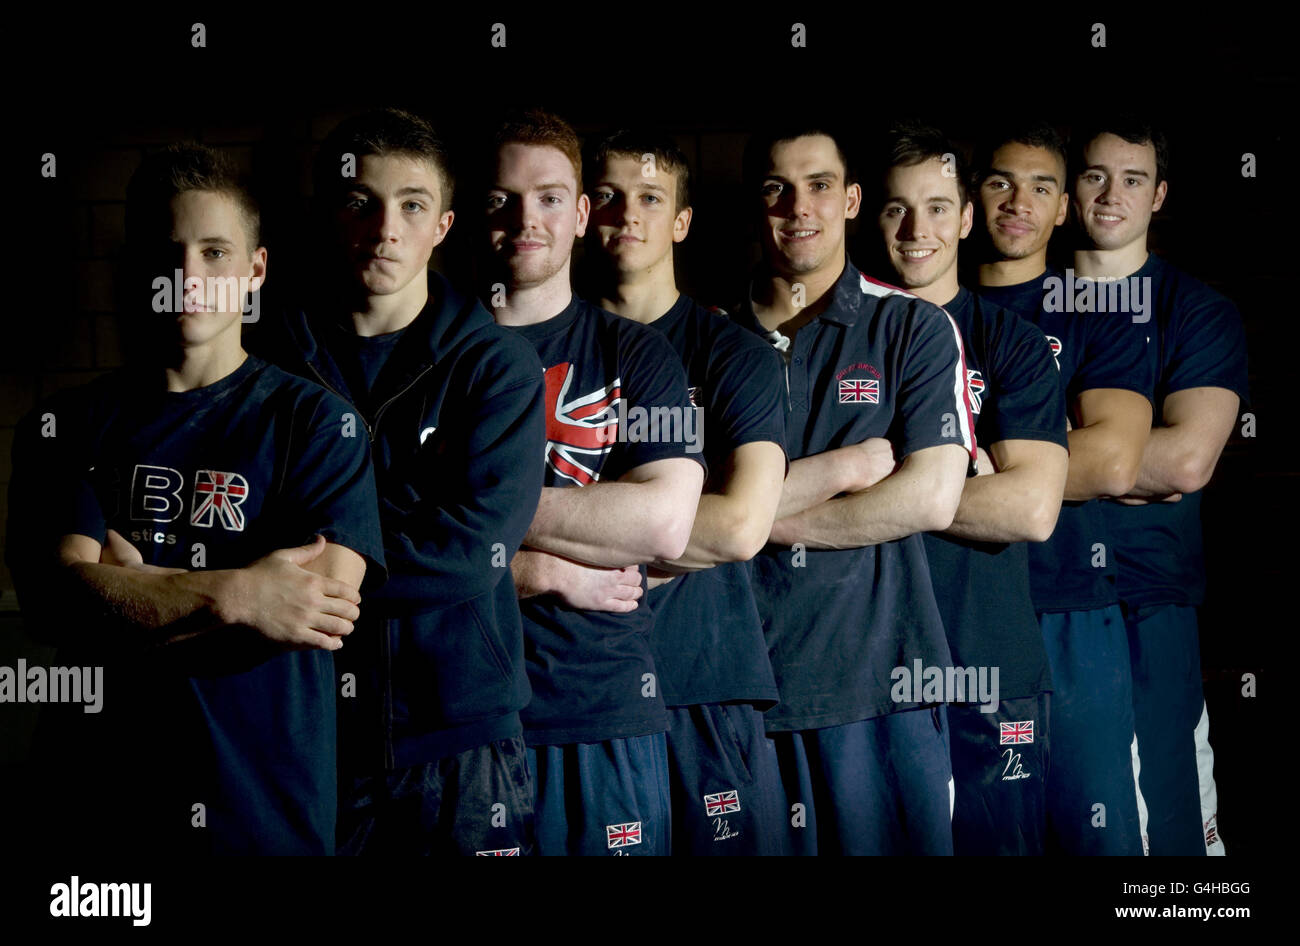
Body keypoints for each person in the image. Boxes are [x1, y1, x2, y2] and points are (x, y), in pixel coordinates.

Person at [7, 142, 385, 855]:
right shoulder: (68, 426)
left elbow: (319, 608)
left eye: (215, 252)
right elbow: (56, 601)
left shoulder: (315, 424)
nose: (188, 275)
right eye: (167, 251)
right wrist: (240, 594)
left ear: (255, 271)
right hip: (97, 815)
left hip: (264, 817)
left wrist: (128, 586)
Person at [251, 108, 548, 856]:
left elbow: (471, 549)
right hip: (307, 724)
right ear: (330, 212)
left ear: (442, 225)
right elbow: (249, 522)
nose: (386, 228)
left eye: (411, 205)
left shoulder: (494, 368)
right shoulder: (269, 360)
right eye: (360, 201)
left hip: (460, 734)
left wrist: (299, 580)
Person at [732, 125, 976, 855]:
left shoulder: (910, 327)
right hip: (742, 692)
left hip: (880, 690)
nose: (798, 207)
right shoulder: (706, 338)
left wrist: (751, 519)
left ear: (851, 201)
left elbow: (930, 498)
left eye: (820, 186)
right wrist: (840, 472)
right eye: (777, 188)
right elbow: (676, 518)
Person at [483, 109, 705, 855]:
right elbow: (385, 531)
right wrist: (537, 569)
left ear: (580, 214)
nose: (526, 220)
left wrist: (482, 527)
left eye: (548, 198)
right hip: (462, 716)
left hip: (602, 706)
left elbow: (665, 523)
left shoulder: (636, 355)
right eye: (503, 200)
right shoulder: (431, 356)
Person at [584, 130, 789, 854]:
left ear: (680, 221)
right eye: (607, 196)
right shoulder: (540, 347)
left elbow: (738, 526)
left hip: (703, 674)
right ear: (581, 212)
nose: (626, 215)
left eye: (648, 198)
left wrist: (574, 556)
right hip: (580, 684)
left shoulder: (733, 353)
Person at [872, 123, 1068, 855]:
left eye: (935, 206)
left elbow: (1030, 507)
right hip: (872, 669)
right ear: (871, 214)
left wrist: (891, 487)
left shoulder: (1008, 342)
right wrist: (957, 481)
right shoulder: (844, 341)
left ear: (964, 217)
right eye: (896, 208)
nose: (916, 229)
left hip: (991, 661)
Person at [975, 121, 1154, 855]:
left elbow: (1112, 458)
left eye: (1041, 186)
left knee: (1100, 838)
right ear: (967, 198)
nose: (1018, 202)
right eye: (999, 182)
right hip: (964, 614)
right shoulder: (922, 313)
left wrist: (964, 472)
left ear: (1062, 209)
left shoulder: (1099, 312)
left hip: (1072, 608)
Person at [1070, 119, 1247, 855]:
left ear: (1159, 194)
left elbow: (1183, 463)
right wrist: (1106, 467)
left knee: (1166, 835)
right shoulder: (1019, 303)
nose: (1112, 196)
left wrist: (1035, 470)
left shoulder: (1196, 311)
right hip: (1032, 601)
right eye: (1094, 175)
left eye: (1133, 179)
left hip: (1149, 605)